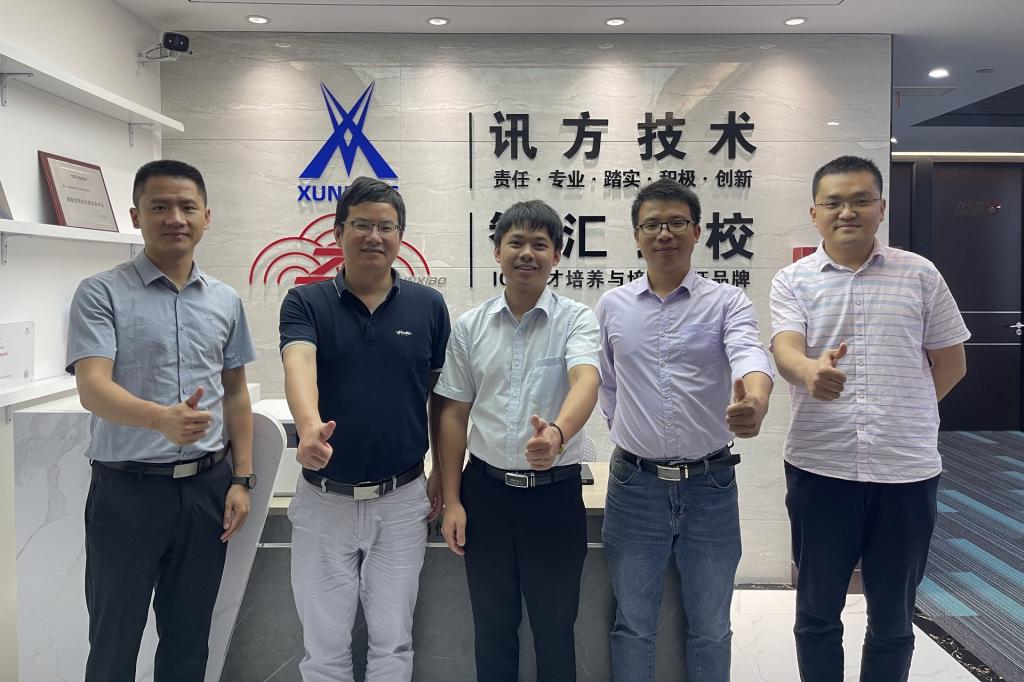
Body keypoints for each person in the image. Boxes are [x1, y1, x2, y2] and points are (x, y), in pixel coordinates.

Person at [770, 155, 969, 682]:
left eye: (860, 200)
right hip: (820, 467)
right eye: (833, 202)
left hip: (905, 473)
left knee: (894, 619)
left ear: (881, 208)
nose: (847, 212)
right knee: (816, 613)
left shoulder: (920, 274)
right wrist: (809, 372)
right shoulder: (793, 280)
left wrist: (905, 410)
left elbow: (952, 363)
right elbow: (786, 350)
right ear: (814, 213)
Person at [67, 159, 257, 681]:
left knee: (189, 640)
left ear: (206, 217)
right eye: (160, 207)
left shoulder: (225, 300)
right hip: (127, 492)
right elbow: (92, 387)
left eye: (187, 207)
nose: (175, 218)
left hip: (206, 491)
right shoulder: (100, 293)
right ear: (137, 216)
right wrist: (159, 420)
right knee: (114, 640)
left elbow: (235, 393)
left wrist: (241, 478)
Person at [596, 178, 774, 681]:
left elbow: (749, 353)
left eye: (676, 222)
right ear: (636, 235)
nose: (664, 234)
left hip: (710, 484)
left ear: (697, 232)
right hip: (635, 486)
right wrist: (632, 434)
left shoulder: (727, 302)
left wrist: (756, 399)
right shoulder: (612, 305)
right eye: (651, 224)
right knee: (633, 624)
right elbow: (607, 383)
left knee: (712, 626)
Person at [279, 176, 450, 681]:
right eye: (361, 225)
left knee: (393, 644)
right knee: (323, 648)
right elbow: (298, 362)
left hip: (402, 499)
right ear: (338, 232)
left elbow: (441, 398)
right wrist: (309, 426)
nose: (374, 236)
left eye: (386, 227)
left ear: (400, 237)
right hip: (323, 500)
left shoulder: (428, 306)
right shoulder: (305, 301)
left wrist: (443, 471)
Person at [435, 199, 601, 682]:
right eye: (516, 242)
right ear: (497, 251)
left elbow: (586, 379)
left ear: (557, 256)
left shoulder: (576, 319)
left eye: (540, 244)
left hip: (554, 497)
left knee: (555, 630)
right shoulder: (470, 326)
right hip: (484, 496)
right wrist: (452, 501)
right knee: (492, 629)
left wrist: (558, 433)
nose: (527, 253)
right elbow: (453, 414)